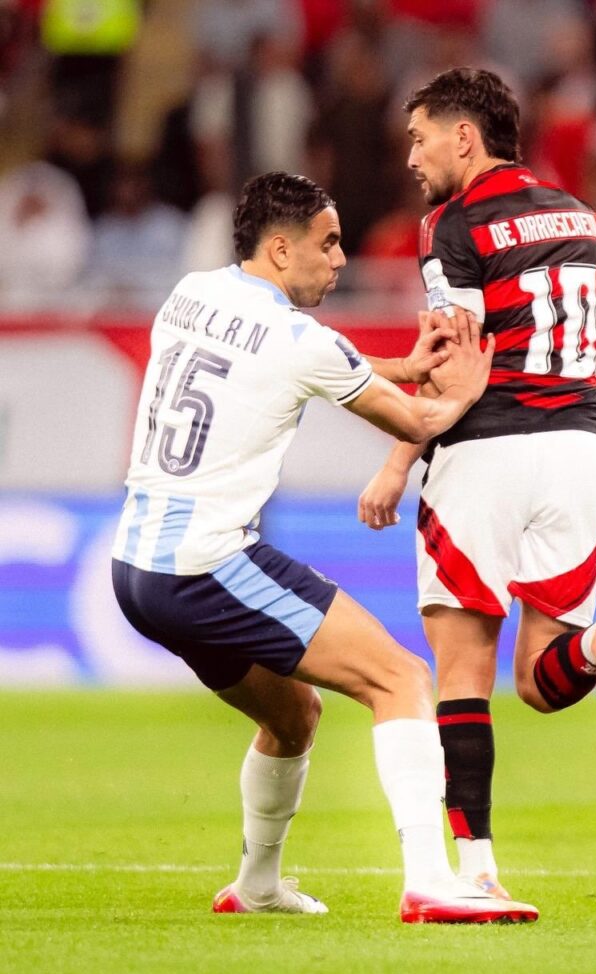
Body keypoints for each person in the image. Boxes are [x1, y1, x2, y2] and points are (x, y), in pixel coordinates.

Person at [110, 172, 540, 926]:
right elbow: (415, 421)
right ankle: (431, 882)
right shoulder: (297, 339)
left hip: (136, 569)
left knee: (294, 717)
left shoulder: (192, 293)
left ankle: (256, 885)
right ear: (281, 248)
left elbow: (305, 363)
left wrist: (404, 367)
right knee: (400, 678)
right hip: (208, 565)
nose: (341, 260)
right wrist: (465, 388)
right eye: (329, 243)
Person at [358, 68, 596, 906]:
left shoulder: (450, 224)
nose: (411, 157)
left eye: (419, 138)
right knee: (540, 678)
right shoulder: (581, 215)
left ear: (464, 136)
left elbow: (452, 358)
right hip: (577, 451)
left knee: (462, 670)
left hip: (485, 453)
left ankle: (477, 868)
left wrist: (394, 463)